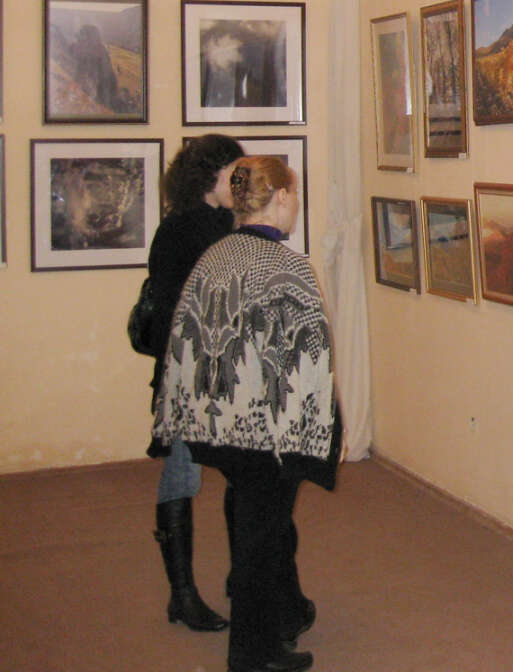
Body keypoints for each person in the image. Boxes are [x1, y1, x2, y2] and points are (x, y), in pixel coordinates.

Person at [152, 156, 341, 672]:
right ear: (279, 197)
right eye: (293, 194)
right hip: (267, 432)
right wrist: (315, 441)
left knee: (259, 527)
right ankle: (254, 654)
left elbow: (183, 344)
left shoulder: (214, 257)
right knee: (263, 534)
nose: (295, 204)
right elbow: (307, 363)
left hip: (214, 424)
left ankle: (284, 614)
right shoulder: (286, 267)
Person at [143, 133, 245, 632]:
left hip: (226, 370)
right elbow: (176, 311)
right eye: (234, 175)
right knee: (182, 475)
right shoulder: (181, 231)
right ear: (212, 176)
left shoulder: (225, 224)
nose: (240, 183)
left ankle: (242, 577)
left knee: (242, 471)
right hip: (188, 372)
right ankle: (181, 595)